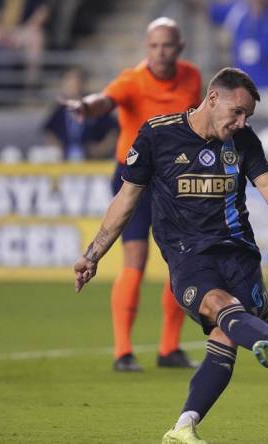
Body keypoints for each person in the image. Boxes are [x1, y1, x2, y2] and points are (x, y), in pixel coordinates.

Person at [73, 67, 268, 444]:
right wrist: (93, 254)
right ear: (213, 98)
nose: (242, 122)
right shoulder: (157, 136)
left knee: (226, 338)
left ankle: (183, 427)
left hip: (238, 252)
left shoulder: (242, 140)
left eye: (248, 116)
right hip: (187, 253)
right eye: (237, 112)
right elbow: (125, 201)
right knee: (216, 303)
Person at [64, 17, 203, 372]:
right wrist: (86, 106)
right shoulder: (132, 80)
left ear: (180, 48)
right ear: (146, 47)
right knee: (135, 260)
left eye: (167, 45)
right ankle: (123, 352)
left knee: (181, 262)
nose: (160, 52)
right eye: (154, 45)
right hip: (134, 179)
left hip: (175, 180)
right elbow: (104, 101)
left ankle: (169, 349)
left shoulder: (192, 78)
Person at [42, 68, 118, 161]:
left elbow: (113, 130)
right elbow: (49, 132)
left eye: (76, 81)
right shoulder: (59, 110)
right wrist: (57, 149)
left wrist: (102, 149)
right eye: (69, 82)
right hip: (65, 159)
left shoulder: (95, 105)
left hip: (91, 160)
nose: (73, 85)